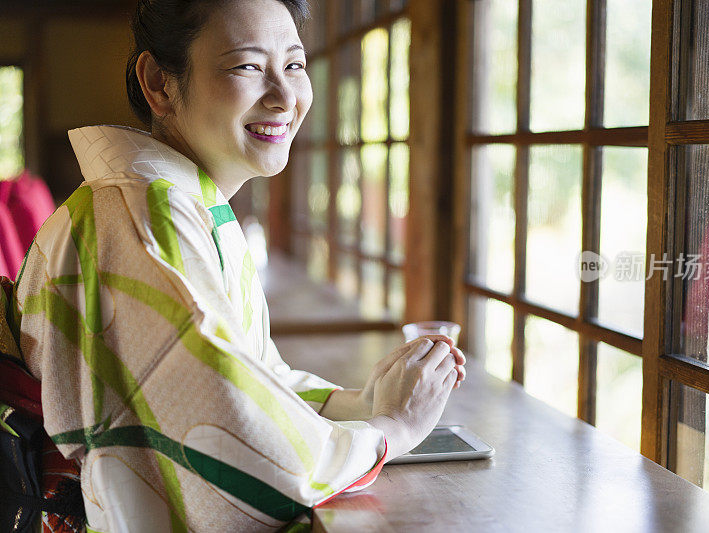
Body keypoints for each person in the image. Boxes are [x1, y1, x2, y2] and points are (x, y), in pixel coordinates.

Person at [10, 0, 466, 531]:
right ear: (158, 81)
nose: (284, 97)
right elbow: (239, 441)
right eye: (248, 66)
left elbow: (251, 378)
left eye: (293, 65)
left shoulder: (183, 203)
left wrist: (359, 403)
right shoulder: (146, 214)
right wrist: (393, 427)